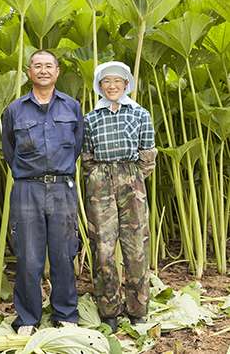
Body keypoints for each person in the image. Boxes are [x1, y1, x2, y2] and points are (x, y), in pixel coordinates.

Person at [2, 49, 84, 336]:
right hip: (27, 188)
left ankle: (65, 314)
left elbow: (77, 146)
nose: (43, 70)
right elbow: (9, 150)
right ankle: (27, 319)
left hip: (62, 188)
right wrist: (32, 176)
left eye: (49, 65)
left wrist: (57, 173)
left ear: (57, 71)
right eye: (37, 66)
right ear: (29, 72)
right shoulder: (14, 110)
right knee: (28, 256)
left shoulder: (72, 106)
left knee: (64, 254)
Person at [81, 61, 157, 333]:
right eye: (106, 82)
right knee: (103, 248)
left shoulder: (140, 114)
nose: (112, 86)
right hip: (100, 180)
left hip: (132, 179)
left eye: (117, 81)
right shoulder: (90, 118)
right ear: (99, 86)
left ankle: (137, 311)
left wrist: (131, 177)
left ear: (127, 84)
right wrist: (101, 177)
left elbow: (147, 156)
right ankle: (109, 311)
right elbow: (87, 157)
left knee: (136, 247)